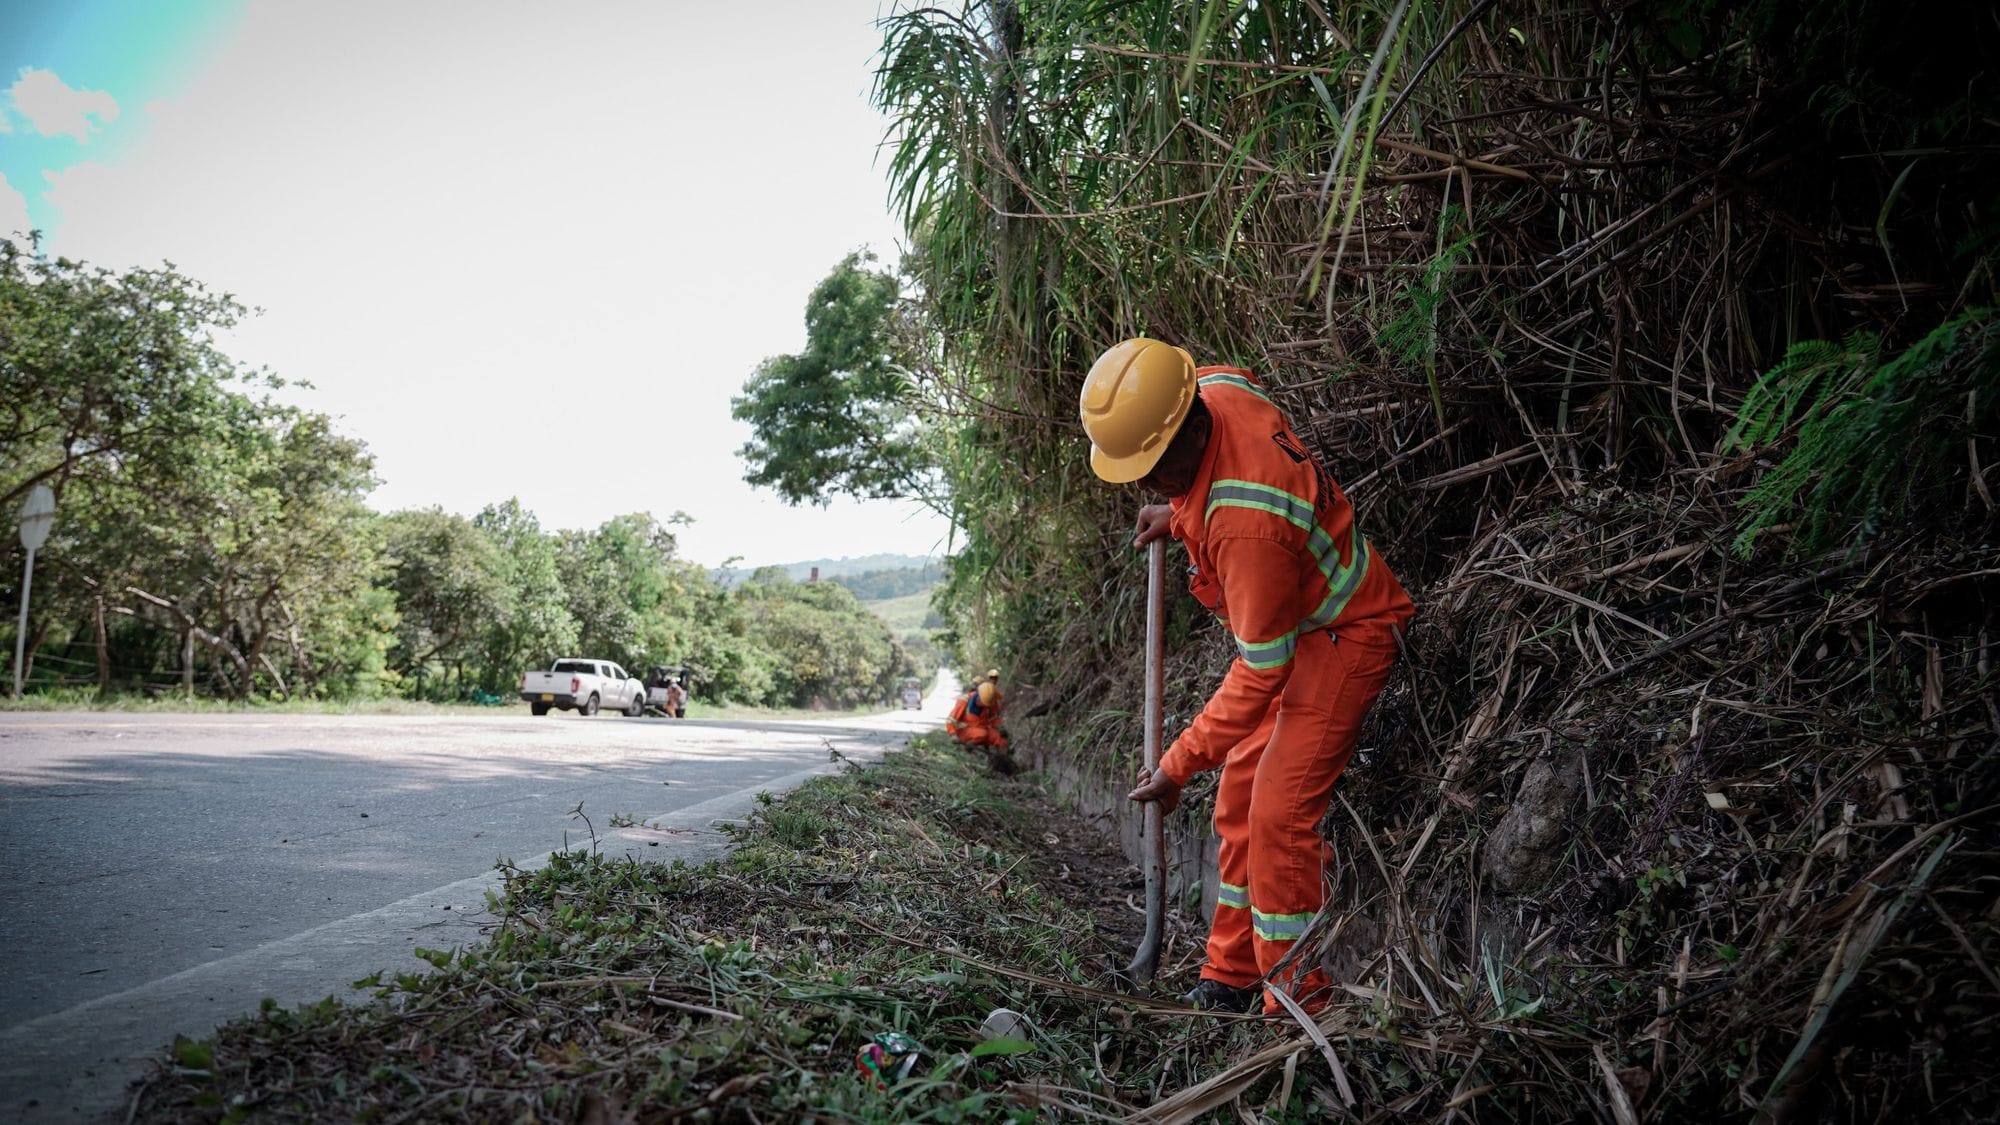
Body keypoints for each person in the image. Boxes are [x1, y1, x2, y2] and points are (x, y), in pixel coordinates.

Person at [1079, 337, 1416, 1015]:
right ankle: (1230, 973)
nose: (1143, 483)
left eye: (1152, 468)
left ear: (1185, 432)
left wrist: (1176, 764)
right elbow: (1226, 451)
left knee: (1277, 816)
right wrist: (1178, 512)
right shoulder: (1214, 387)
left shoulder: (1246, 526)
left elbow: (1263, 669)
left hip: (1345, 633)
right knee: (1237, 798)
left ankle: (1297, 1006)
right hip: (1305, 623)